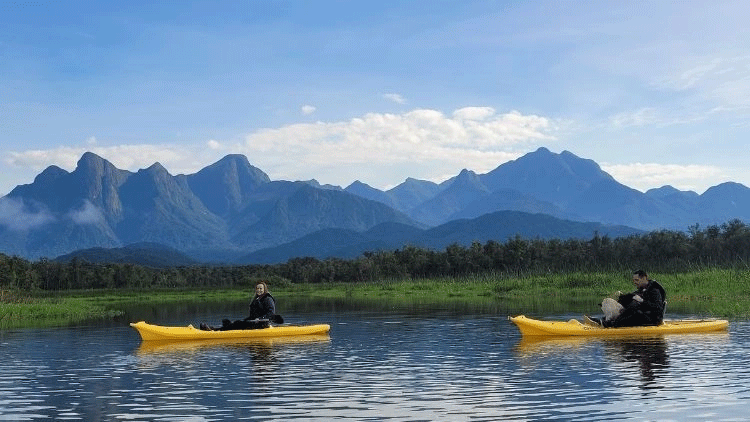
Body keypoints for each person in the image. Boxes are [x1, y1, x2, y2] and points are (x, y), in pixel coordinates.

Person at [587, 270, 666, 328]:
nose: (635, 282)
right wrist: (623, 298)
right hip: (644, 314)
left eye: (637, 280)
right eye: (634, 280)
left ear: (644, 278)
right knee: (629, 303)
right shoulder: (642, 289)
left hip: (653, 319)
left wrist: (642, 301)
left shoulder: (655, 291)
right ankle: (604, 320)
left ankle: (610, 324)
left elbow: (658, 308)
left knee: (634, 310)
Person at [200, 281, 282, 331]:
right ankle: (215, 328)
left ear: (264, 289)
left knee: (237, 324)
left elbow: (271, 313)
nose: (259, 290)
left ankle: (214, 329)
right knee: (237, 323)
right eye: (257, 288)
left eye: (261, 288)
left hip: (262, 324)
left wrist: (260, 319)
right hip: (254, 322)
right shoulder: (256, 299)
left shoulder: (268, 299)